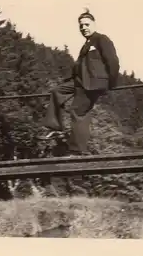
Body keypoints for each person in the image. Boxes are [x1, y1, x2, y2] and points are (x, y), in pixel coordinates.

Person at [37, 9, 121, 156]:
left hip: (92, 84)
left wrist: (111, 83)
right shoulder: (86, 44)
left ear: (94, 24)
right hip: (79, 81)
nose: (84, 28)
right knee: (57, 91)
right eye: (81, 26)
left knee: (78, 112)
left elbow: (113, 61)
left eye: (87, 24)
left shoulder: (102, 39)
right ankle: (54, 126)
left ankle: (78, 150)